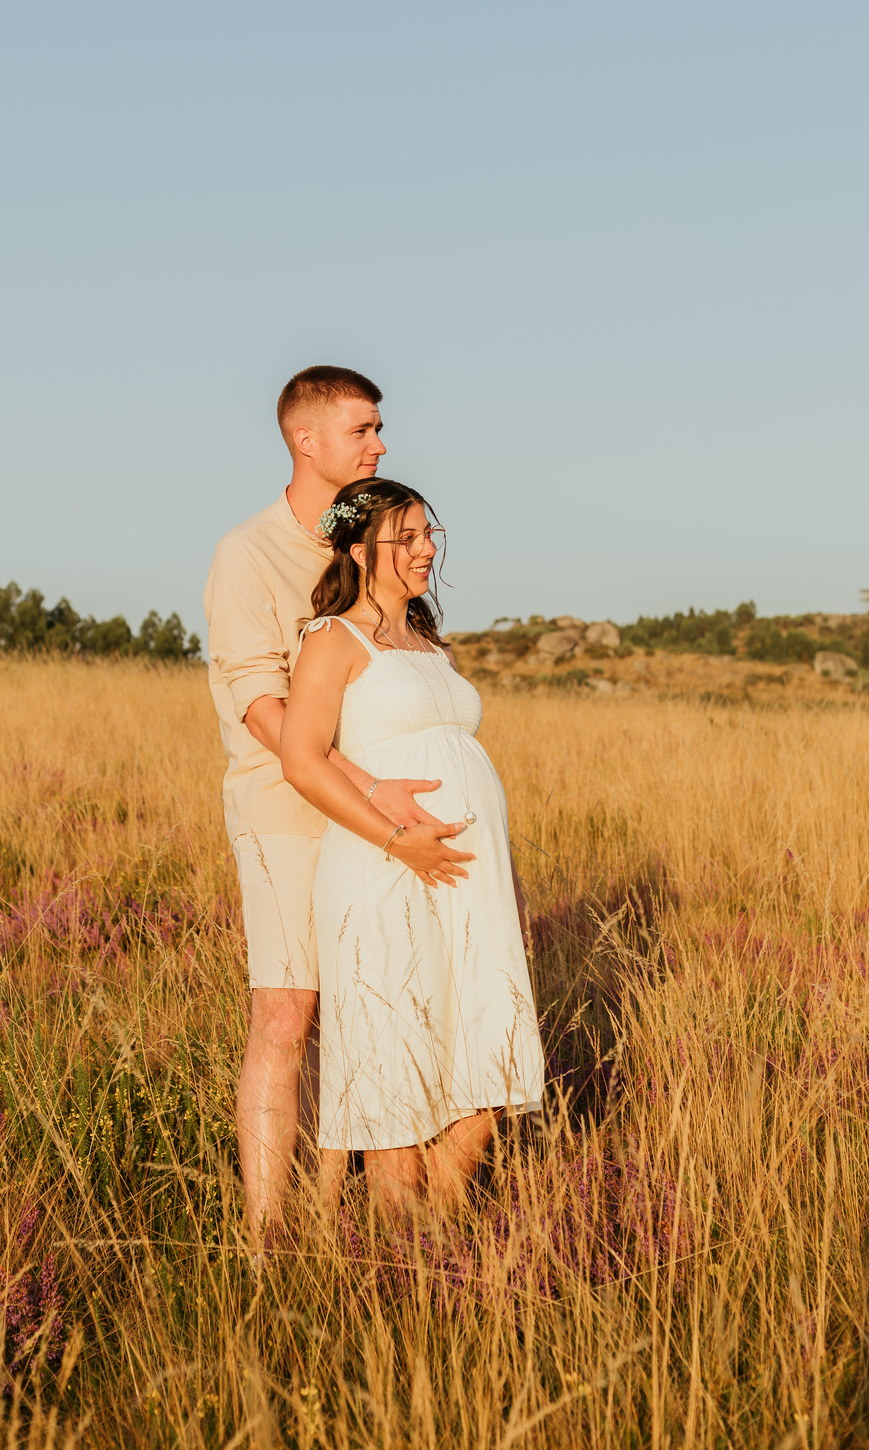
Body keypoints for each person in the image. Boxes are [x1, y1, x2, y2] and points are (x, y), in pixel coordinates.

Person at [203, 368, 464, 1240]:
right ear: (305, 440)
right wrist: (363, 785)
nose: (380, 445)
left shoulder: (379, 543)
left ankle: (335, 1212)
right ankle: (266, 1242)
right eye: (363, 430)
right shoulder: (249, 552)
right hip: (286, 807)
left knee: (367, 1002)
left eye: (379, 430)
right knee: (287, 1013)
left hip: (377, 810)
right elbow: (260, 702)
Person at [280, 478, 545, 1214]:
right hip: (384, 869)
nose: (427, 549)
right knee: (399, 1046)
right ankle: (405, 1252)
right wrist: (400, 842)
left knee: (483, 1043)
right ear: (361, 551)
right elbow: (301, 758)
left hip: (465, 877)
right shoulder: (333, 639)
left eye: (430, 535)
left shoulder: (427, 641)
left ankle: (444, 1215)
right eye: (407, 537)